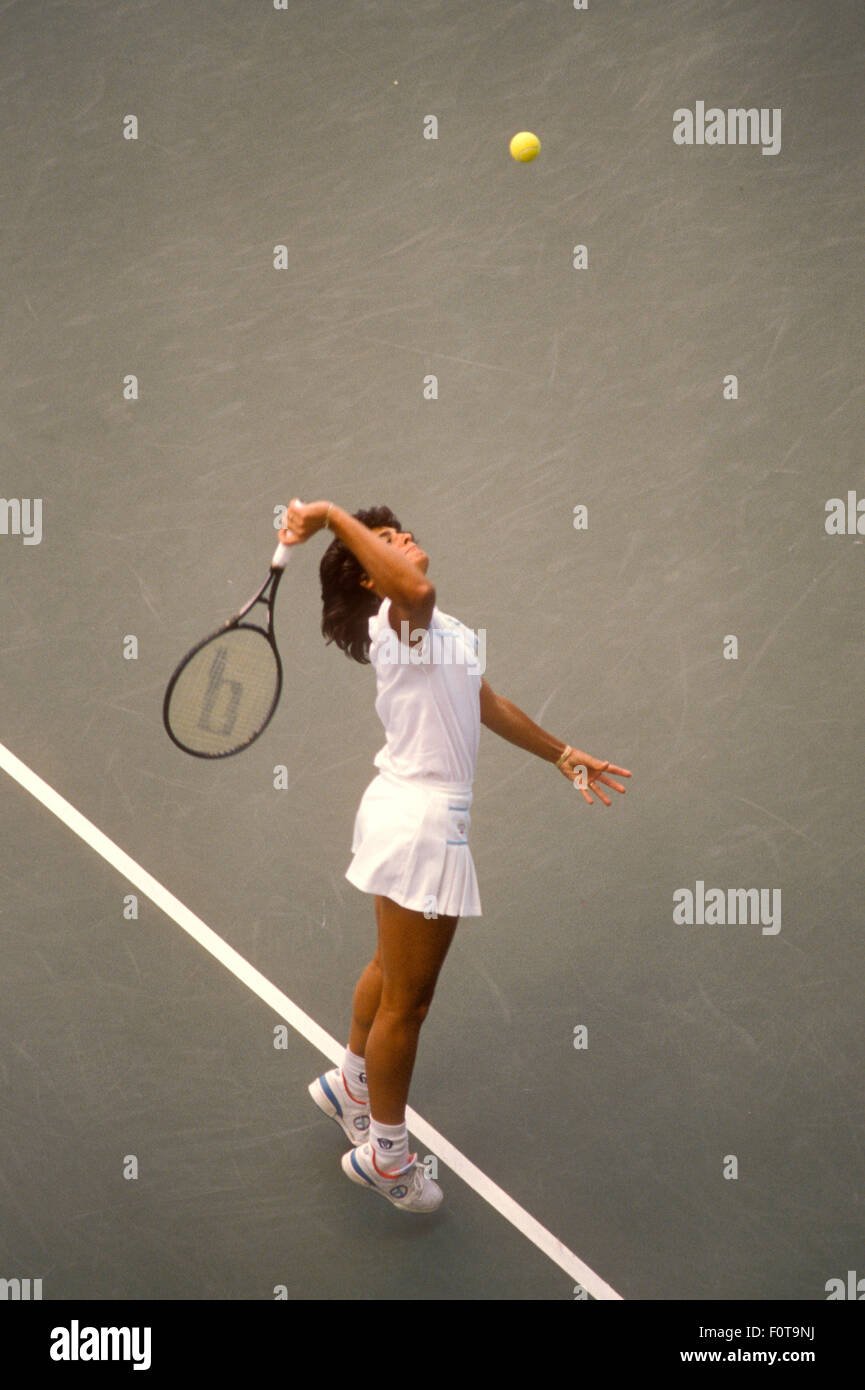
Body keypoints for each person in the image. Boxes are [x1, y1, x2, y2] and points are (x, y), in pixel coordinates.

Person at [277, 498, 631, 1213]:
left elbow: (483, 701)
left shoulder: (436, 630)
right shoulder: (400, 619)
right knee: (409, 1003)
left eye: (396, 530)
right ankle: (386, 1156)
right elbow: (413, 588)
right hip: (422, 826)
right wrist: (329, 516)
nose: (403, 537)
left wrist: (559, 753)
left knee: (388, 967)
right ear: (371, 580)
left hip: (405, 813)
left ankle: (349, 1083)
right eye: (384, 541)